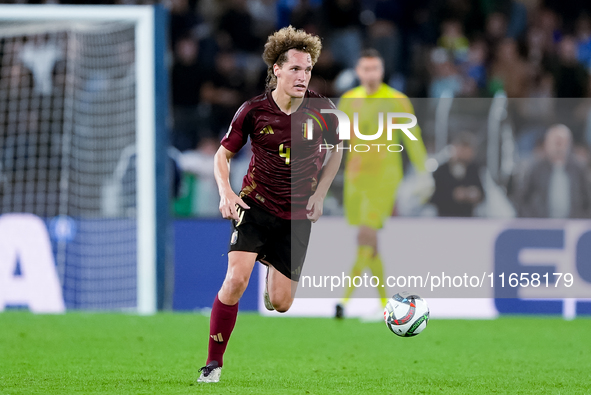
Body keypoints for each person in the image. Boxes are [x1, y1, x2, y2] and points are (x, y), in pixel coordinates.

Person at [198, 26, 343, 383]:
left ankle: (270, 275)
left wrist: (321, 194)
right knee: (234, 280)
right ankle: (213, 364)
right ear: (276, 69)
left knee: (281, 303)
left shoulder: (322, 110)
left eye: (307, 69)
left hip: (296, 216)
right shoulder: (253, 110)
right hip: (255, 205)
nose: (302, 76)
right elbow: (223, 154)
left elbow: (337, 151)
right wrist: (226, 192)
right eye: (295, 68)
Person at [335, 49, 429, 319]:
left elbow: (413, 138)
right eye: (366, 69)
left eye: (375, 69)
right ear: (358, 71)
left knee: (366, 234)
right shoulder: (348, 100)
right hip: (356, 179)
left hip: (384, 179)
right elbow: (336, 140)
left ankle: (343, 301)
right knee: (368, 241)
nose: (371, 74)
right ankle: (386, 304)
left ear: (382, 70)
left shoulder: (397, 100)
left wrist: (424, 172)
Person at [516, 124, 591, 218]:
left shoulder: (579, 168)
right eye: (555, 142)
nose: (558, 146)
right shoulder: (535, 168)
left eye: (561, 142)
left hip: (573, 227)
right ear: (546, 143)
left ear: (569, 144)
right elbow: (521, 199)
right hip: (541, 225)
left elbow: (588, 199)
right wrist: (531, 221)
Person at [430, 132, 484, 217]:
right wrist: (453, 194)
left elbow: (482, 195)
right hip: (444, 219)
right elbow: (433, 197)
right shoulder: (442, 170)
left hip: (467, 219)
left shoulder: (474, 170)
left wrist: (472, 194)